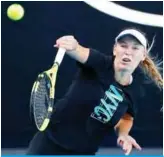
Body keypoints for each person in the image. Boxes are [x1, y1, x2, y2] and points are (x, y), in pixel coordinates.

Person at [27, 28, 163, 155]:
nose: (128, 52)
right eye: (123, 46)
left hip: (84, 152)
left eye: (135, 48)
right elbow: (79, 51)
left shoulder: (134, 90)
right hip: (49, 143)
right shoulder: (100, 63)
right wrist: (72, 45)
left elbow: (126, 117)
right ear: (115, 49)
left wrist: (123, 134)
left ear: (143, 55)